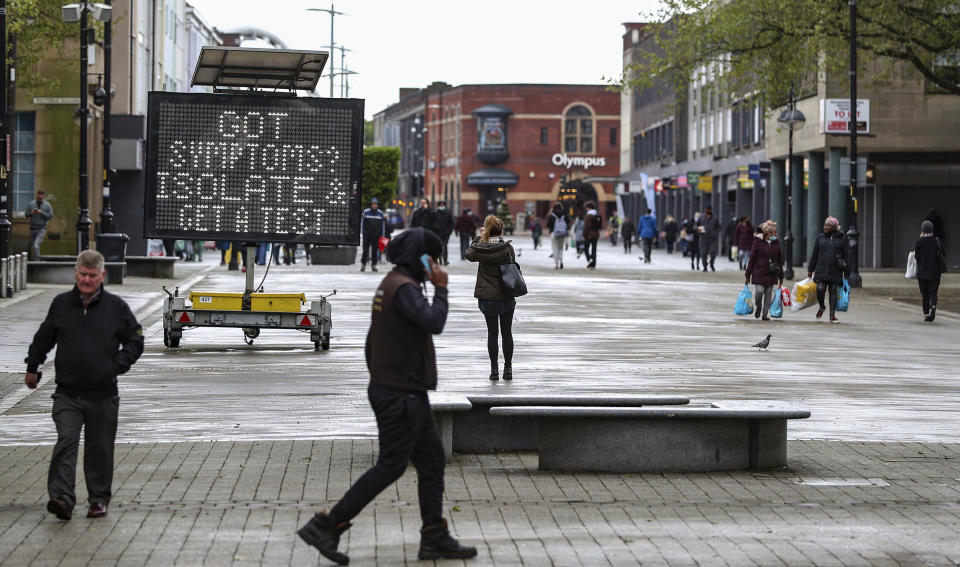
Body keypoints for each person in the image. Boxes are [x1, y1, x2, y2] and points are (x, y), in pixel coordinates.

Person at [297, 228, 476, 564]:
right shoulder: (405, 289)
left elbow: (371, 340)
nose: (435, 264)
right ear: (419, 256)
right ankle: (327, 525)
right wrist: (442, 289)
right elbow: (434, 322)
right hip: (401, 395)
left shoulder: (390, 283)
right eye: (432, 257)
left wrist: (383, 376)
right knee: (391, 465)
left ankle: (434, 536)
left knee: (432, 462)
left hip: (401, 391)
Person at [24, 250, 144, 521]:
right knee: (66, 441)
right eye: (83, 274)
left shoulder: (116, 308)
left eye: (93, 275)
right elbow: (44, 338)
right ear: (75, 273)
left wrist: (115, 366)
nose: (87, 280)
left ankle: (98, 499)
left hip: (103, 394)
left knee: (99, 448)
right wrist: (33, 367)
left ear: (102, 276)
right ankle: (62, 499)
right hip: (67, 392)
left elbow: (136, 341)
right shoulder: (61, 304)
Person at [465, 216, 518, 381]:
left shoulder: (481, 248)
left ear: (486, 230)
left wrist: (480, 237)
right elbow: (513, 263)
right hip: (506, 294)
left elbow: (468, 254)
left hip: (487, 297)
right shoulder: (507, 248)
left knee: (492, 333)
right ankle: (508, 369)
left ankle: (494, 370)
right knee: (507, 332)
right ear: (501, 231)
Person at [807, 216, 850, 323]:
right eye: (825, 225)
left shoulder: (841, 239)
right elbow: (815, 254)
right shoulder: (820, 238)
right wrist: (810, 269)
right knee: (820, 289)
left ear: (834, 227)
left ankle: (832, 315)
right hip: (821, 269)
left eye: (828, 225)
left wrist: (847, 272)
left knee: (833, 291)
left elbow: (846, 256)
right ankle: (822, 306)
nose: (825, 227)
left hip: (835, 270)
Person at [744, 221, 784, 321]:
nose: (776, 234)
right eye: (774, 232)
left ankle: (765, 314)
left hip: (772, 273)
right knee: (759, 291)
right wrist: (747, 274)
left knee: (768, 295)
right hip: (759, 272)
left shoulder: (776, 243)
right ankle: (758, 306)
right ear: (768, 233)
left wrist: (781, 276)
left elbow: (779, 260)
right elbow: (752, 258)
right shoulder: (757, 242)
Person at [915, 219, 947, 322]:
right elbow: (943, 254)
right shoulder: (936, 241)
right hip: (935, 272)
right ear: (932, 229)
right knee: (933, 292)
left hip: (922, 273)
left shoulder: (918, 242)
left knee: (925, 294)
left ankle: (926, 313)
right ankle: (933, 306)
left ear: (923, 230)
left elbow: (917, 257)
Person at [25, 190, 53, 260]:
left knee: (36, 245)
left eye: (41, 198)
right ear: (36, 196)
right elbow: (26, 215)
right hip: (32, 228)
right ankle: (33, 260)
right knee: (33, 246)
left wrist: (42, 213)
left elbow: (50, 216)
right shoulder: (31, 204)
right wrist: (31, 213)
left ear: (43, 197)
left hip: (42, 229)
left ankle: (37, 262)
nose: (39, 199)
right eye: (38, 198)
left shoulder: (47, 205)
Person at [360, 197, 386, 272]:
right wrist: (363, 232)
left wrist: (382, 235)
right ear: (371, 205)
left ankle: (374, 265)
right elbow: (363, 223)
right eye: (373, 204)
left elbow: (382, 225)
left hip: (376, 236)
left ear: (377, 205)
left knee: (375, 251)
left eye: (376, 204)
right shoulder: (366, 212)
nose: (374, 206)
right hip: (367, 235)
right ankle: (363, 264)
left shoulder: (380, 213)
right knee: (365, 250)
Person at [546, 202, 569, 269]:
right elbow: (568, 222)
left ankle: (556, 264)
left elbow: (548, 225)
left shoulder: (552, 214)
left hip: (554, 233)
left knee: (555, 248)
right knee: (561, 248)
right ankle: (561, 261)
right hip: (562, 233)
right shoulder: (564, 214)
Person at [433, 200, 455, 265]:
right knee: (439, 247)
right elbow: (433, 223)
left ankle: (445, 260)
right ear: (438, 206)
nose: (442, 206)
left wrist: (449, 231)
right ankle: (440, 260)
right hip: (438, 233)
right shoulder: (436, 213)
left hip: (446, 234)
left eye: (443, 205)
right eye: (440, 205)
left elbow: (451, 223)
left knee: (445, 246)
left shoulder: (448, 213)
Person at [582, 201, 601, 268]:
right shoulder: (596, 214)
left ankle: (589, 259)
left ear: (588, 207)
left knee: (585, 248)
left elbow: (586, 227)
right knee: (594, 249)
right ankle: (593, 264)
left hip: (589, 234)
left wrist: (584, 235)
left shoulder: (588, 215)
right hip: (596, 234)